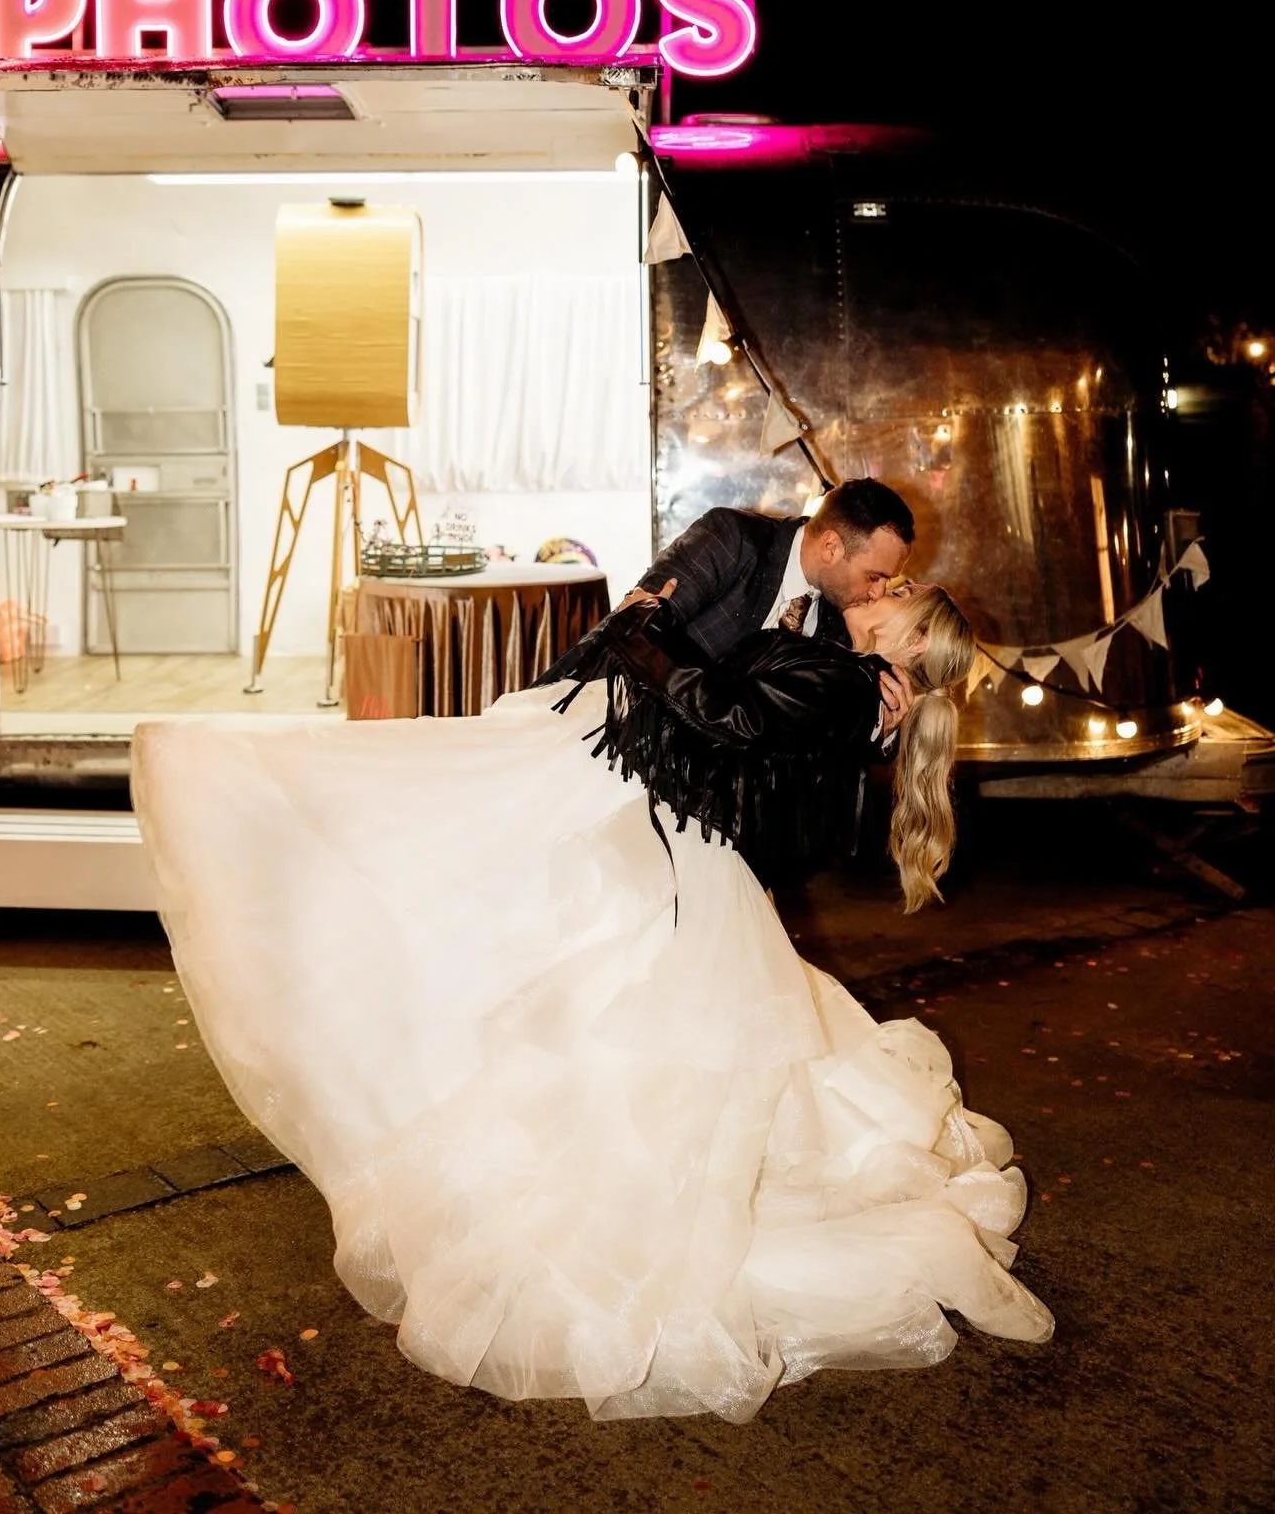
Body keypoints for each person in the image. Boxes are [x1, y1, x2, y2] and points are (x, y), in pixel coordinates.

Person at [131, 582, 1053, 1426]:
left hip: (677, 853)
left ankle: (659, 1222)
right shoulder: (847, 673)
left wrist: (641, 630)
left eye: (903, 596)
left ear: (913, 641)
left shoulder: (847, 683)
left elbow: (725, 718)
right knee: (613, 1022)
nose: (887, 589)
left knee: (623, 1034)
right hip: (675, 844)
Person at [623, 478, 919, 743]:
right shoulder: (733, 540)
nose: (878, 592)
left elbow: (815, 732)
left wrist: (879, 732)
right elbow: (631, 630)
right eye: (874, 576)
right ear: (831, 547)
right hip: (631, 737)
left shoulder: (842, 619)